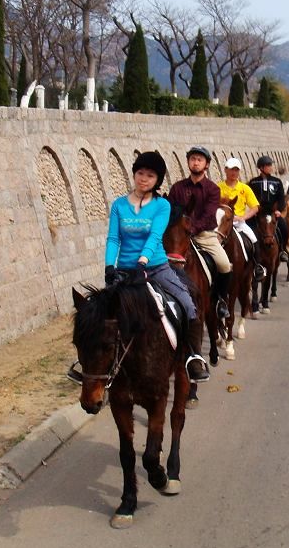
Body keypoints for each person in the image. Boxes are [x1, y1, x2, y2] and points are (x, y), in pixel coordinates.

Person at [69, 151, 209, 384]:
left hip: (155, 267)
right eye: (140, 173)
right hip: (124, 270)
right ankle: (87, 363)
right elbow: (113, 238)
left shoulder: (162, 205)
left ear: (157, 180)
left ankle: (193, 357)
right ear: (134, 174)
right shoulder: (119, 205)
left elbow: (154, 236)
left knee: (187, 301)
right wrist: (109, 267)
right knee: (97, 314)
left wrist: (143, 261)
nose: (144, 179)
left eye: (150, 175)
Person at [167, 146, 234, 325]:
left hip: (204, 235)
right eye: (193, 159)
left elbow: (209, 214)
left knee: (224, 264)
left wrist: (193, 229)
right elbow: (171, 213)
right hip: (178, 237)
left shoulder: (212, 189)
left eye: (199, 160)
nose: (195, 162)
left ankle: (221, 300)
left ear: (206, 164)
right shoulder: (177, 188)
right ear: (188, 162)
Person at [218, 157, 266, 281]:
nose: (234, 173)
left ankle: (257, 266)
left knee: (253, 239)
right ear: (225, 170)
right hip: (221, 223)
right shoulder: (218, 187)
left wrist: (243, 217)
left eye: (236, 170)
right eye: (231, 170)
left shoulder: (245, 188)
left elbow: (255, 207)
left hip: (238, 222)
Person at [248, 155, 289, 261]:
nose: (271, 167)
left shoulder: (277, 182)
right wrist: (253, 210)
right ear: (261, 168)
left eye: (271, 165)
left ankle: (283, 251)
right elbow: (249, 198)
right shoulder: (253, 182)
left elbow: (281, 198)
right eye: (268, 165)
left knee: (284, 228)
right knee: (247, 229)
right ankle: (249, 254)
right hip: (258, 213)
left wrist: (279, 210)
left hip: (272, 213)